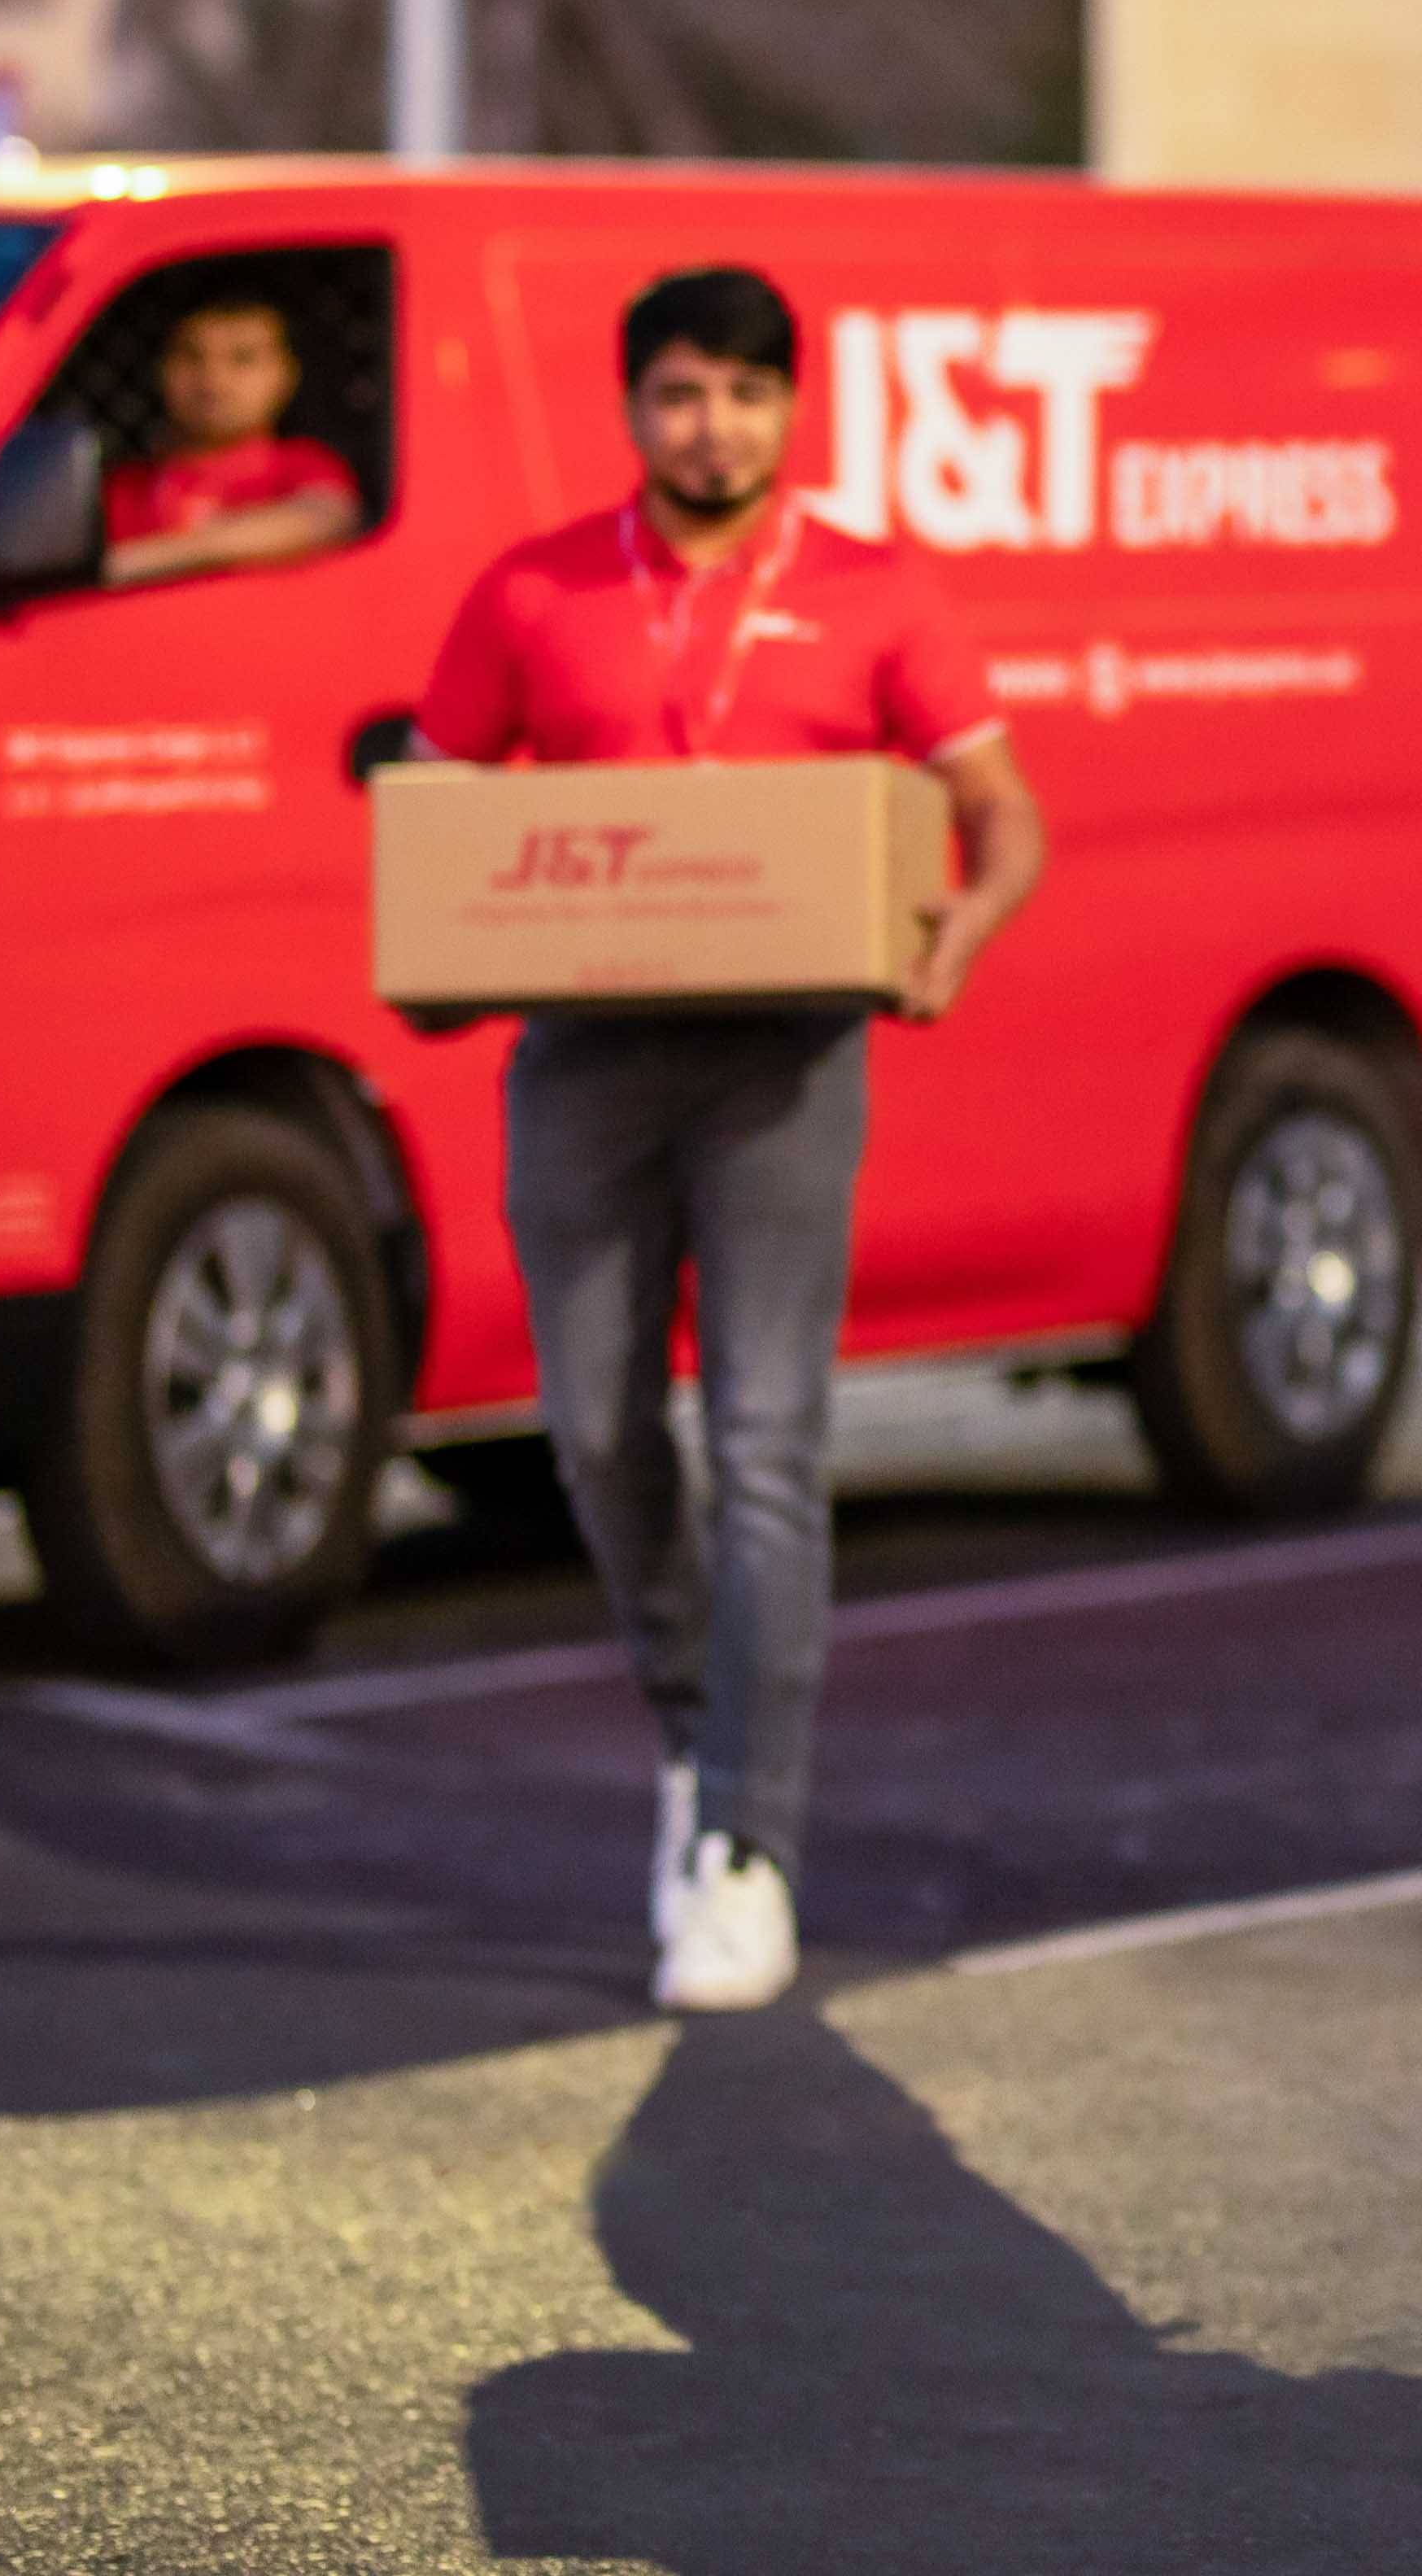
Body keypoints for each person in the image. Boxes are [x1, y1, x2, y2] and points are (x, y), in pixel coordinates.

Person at [412, 264, 1049, 2013]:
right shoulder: (536, 591)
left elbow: (1005, 815)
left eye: (750, 395)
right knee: (600, 1427)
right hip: (587, 1058)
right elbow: (436, 812)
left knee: (768, 1435)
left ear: (793, 408)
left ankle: (750, 1840)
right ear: (634, 407)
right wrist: (440, 957)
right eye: (685, 394)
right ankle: (700, 1732)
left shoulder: (870, 591)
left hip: (788, 1060)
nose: (718, 427)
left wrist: (958, 931)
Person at [102, 290, 364, 586]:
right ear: (161, 369)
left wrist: (140, 560)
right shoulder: (121, 487)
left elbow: (325, 519)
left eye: (243, 358)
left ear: (285, 374)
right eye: (192, 356)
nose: (213, 380)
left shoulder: (304, 466)